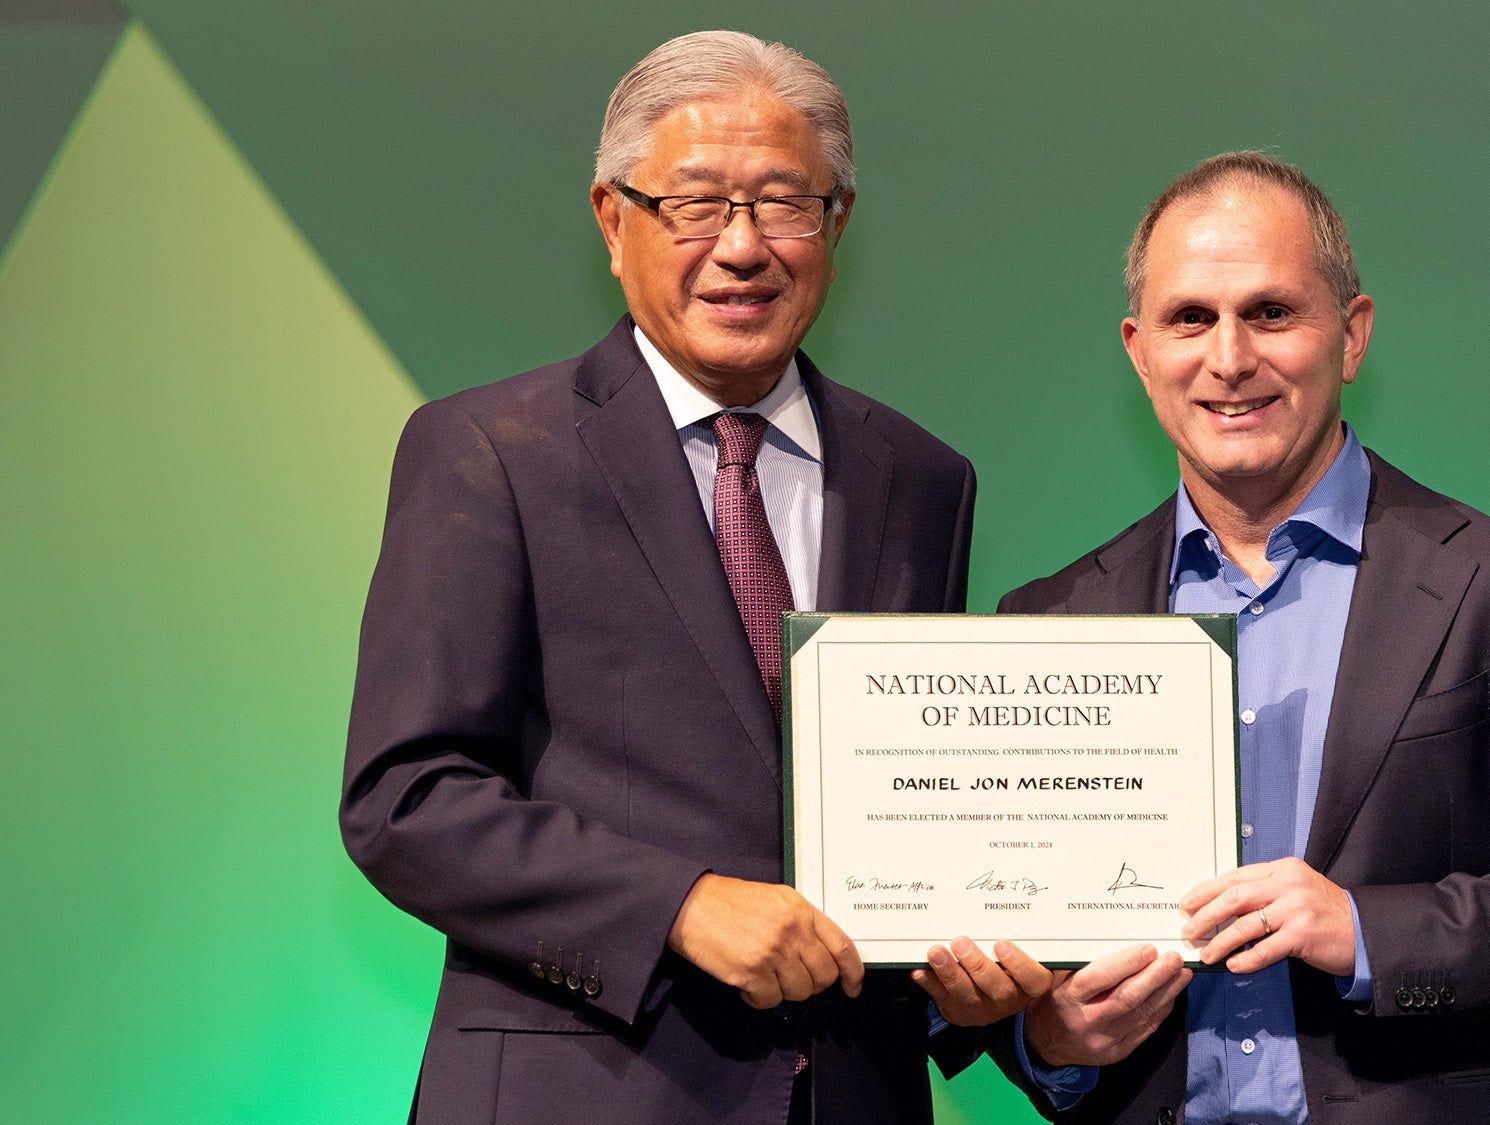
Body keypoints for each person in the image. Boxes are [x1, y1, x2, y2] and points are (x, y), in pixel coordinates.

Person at [341, 30, 1035, 1123]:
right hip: (582, 1092)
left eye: (784, 203)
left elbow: (909, 813)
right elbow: (408, 800)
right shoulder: (487, 450)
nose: (743, 246)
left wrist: (978, 976)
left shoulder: (923, 477)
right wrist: (677, 906)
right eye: (696, 203)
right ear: (613, 221)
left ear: (837, 224)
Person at [987, 152, 1490, 1122]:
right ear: (1137, 350)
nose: (1228, 358)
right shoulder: (1046, 621)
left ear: (1350, 334)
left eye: (1270, 312)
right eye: (1188, 318)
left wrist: (1365, 928)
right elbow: (992, 929)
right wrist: (1050, 1041)